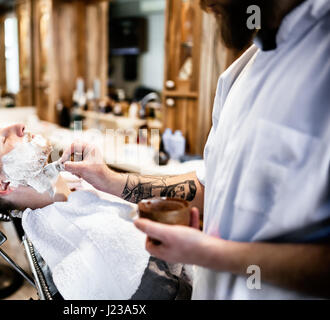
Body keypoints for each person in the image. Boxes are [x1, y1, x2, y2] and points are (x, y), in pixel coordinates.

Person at [60, 0, 330, 299]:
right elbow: (207, 186)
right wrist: (110, 180)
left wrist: (212, 254)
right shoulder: (239, 74)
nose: (202, 3)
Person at [0, 124, 192, 299]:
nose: (19, 126)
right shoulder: (85, 238)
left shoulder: (69, 187)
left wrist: (107, 178)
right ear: (3, 185)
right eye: (3, 139)